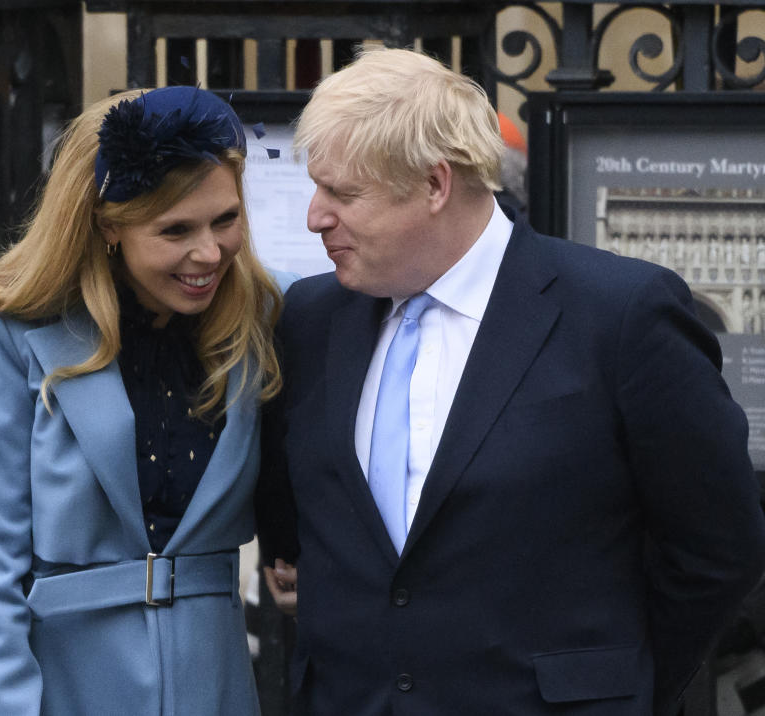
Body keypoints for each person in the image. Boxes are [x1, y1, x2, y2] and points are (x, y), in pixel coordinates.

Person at [256, 47, 765, 716]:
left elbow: (717, 549)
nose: (315, 216)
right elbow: (294, 526)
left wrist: (617, 687)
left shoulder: (619, 315)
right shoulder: (312, 319)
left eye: (343, 193)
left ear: (436, 185)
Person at [0, 86, 290, 715]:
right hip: (58, 686)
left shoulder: (265, 318)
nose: (209, 253)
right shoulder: (16, 327)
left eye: (226, 219)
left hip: (217, 686)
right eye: (175, 230)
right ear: (108, 224)